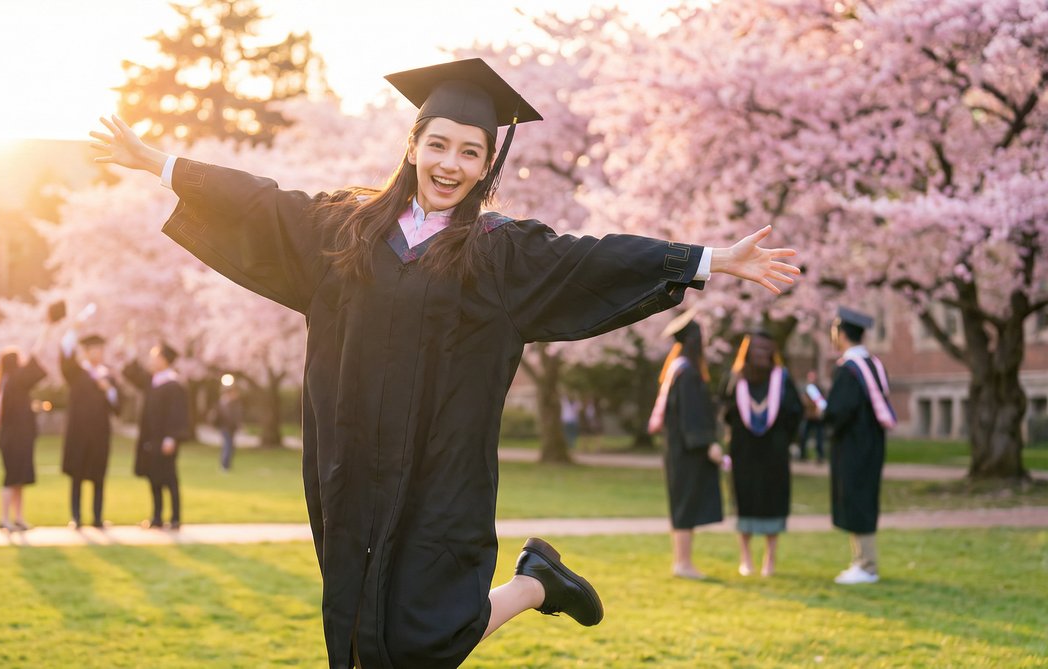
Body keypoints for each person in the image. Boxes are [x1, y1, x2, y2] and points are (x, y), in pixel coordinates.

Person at [90, 57, 799, 667]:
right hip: (353, 465)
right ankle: (537, 582)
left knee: (427, 640)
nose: (450, 164)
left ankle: (535, 585)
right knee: (363, 631)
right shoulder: (348, 231)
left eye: (470, 152)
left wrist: (705, 260)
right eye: (439, 145)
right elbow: (264, 206)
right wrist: (159, 162)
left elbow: (591, 259)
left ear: (488, 163)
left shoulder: (500, 255)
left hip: (440, 474)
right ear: (412, 144)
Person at [820, 306, 894, 585]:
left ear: (840, 334)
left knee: (857, 499)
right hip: (872, 443)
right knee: (865, 497)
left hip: (853, 446)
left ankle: (865, 565)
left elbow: (839, 411)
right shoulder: (875, 364)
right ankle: (862, 562)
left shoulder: (849, 369)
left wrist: (823, 414)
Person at [648, 307, 725, 579]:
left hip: (677, 449)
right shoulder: (688, 373)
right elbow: (692, 416)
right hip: (688, 451)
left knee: (681, 502)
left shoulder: (675, 370)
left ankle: (682, 561)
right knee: (685, 504)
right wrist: (708, 444)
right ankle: (682, 563)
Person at [722, 331, 803, 577]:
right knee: (745, 500)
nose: (761, 354)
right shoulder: (737, 379)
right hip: (744, 452)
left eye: (765, 349)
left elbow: (794, 412)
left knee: (772, 501)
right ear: (747, 352)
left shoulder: (782, 378)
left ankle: (770, 558)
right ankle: (745, 556)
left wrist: (784, 440)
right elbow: (725, 410)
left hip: (774, 453)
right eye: (756, 349)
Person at [123, 342, 189, 530]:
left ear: (164, 360)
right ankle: (157, 517)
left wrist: (171, 438)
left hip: (166, 439)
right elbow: (131, 375)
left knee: (169, 478)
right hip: (151, 439)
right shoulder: (153, 381)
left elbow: (177, 415)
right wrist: (129, 354)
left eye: (155, 357)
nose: (151, 361)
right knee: (154, 478)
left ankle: (175, 517)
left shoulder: (174, 384)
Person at [60, 330, 121, 529]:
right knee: (77, 477)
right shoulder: (77, 373)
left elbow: (118, 406)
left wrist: (109, 390)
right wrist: (72, 333)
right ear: (85, 352)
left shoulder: (107, 376)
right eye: (95, 350)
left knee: (98, 477)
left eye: (101, 350)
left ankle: (97, 517)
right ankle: (76, 517)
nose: (99, 354)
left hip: (100, 434)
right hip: (79, 433)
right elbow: (66, 359)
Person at [0, 347, 47, 532]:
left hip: (16, 438)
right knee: (11, 478)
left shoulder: (8, 383)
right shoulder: (14, 380)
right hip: (14, 439)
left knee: (19, 480)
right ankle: (4, 518)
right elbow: (34, 366)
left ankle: (18, 518)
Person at [798, 370, 827, 463]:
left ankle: (820, 456)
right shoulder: (805, 388)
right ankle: (802, 455)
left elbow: (822, 402)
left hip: (817, 417)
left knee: (819, 438)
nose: (812, 379)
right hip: (807, 416)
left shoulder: (819, 388)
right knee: (803, 436)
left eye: (814, 377)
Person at [213, 385, 243, 471]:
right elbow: (225, 416)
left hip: (231, 427)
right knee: (227, 445)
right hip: (226, 427)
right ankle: (224, 465)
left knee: (230, 446)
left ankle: (227, 464)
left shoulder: (234, 403)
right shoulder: (225, 402)